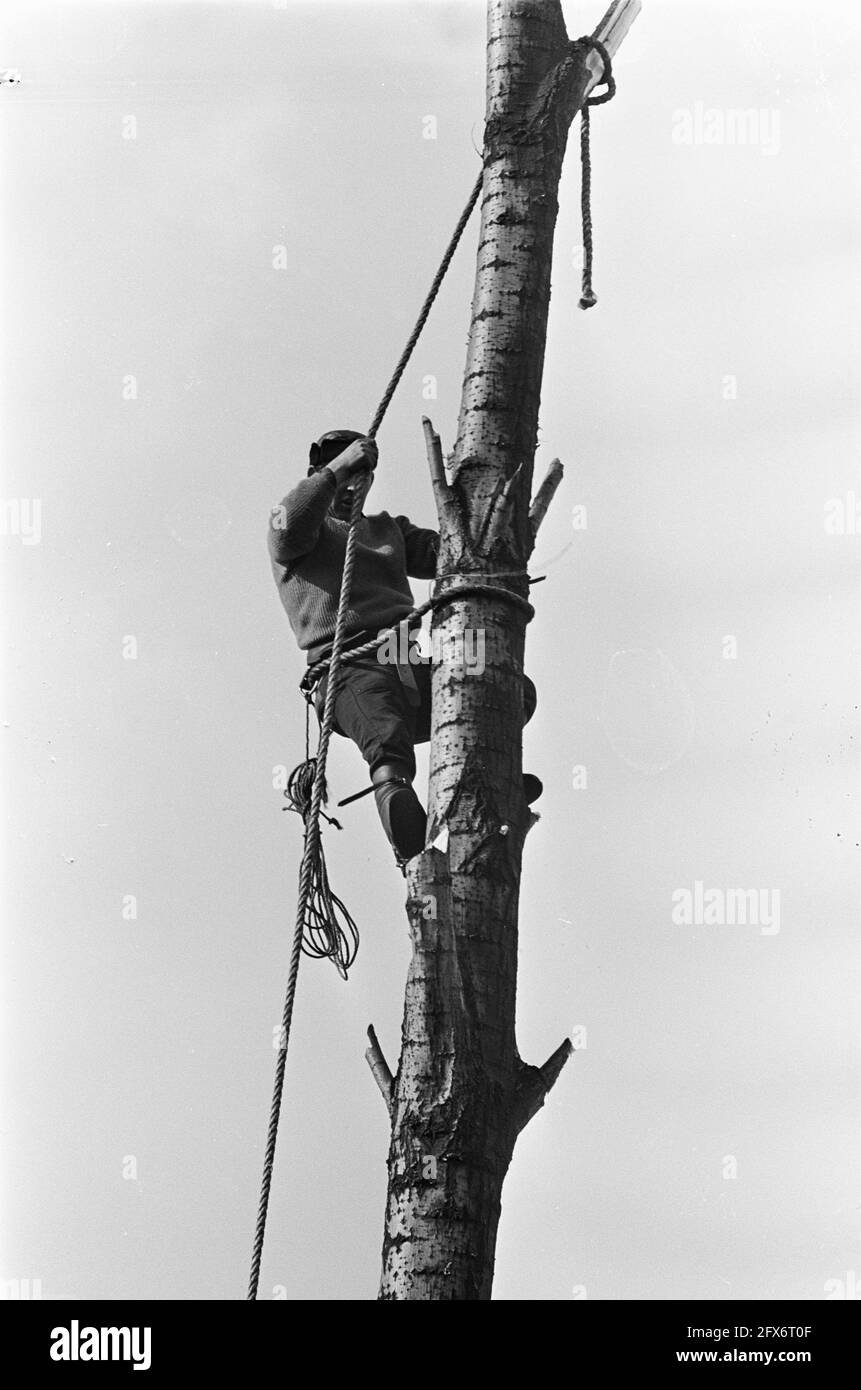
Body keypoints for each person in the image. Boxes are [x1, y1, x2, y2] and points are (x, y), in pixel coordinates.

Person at [267, 429, 540, 868]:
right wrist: (340, 470)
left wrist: (498, 529)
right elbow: (288, 525)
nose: (353, 483)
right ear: (318, 474)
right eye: (340, 471)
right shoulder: (298, 531)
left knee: (507, 688)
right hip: (348, 667)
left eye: (362, 474)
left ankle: (493, 785)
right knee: (387, 738)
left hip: (404, 657)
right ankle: (407, 833)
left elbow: (450, 553)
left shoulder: (386, 529)